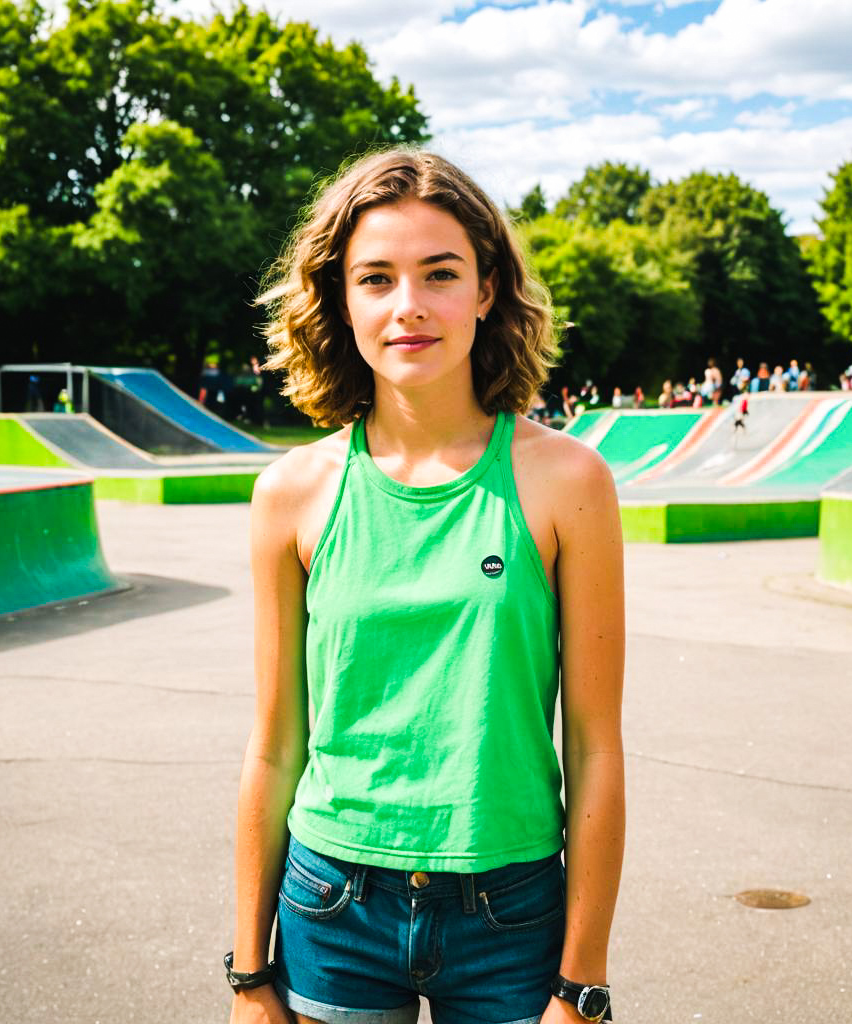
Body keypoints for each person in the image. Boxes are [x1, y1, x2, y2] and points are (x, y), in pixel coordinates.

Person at [229, 149, 626, 1024]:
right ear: (342, 297)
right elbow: (273, 746)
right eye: (376, 277)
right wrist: (251, 974)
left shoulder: (568, 482)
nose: (408, 305)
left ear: (486, 290)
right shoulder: (291, 493)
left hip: (512, 915)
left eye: (439, 273)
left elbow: (596, 748)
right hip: (332, 907)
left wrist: (581, 985)